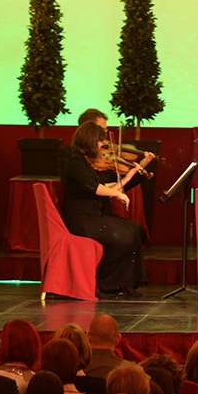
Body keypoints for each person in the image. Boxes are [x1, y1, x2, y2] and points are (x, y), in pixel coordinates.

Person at [58, 121, 147, 298]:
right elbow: (94, 187)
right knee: (122, 239)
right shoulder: (75, 162)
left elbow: (105, 186)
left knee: (135, 231)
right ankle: (104, 283)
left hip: (93, 215)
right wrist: (119, 195)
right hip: (81, 218)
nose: (101, 144)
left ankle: (125, 283)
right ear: (90, 140)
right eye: (99, 140)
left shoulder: (85, 161)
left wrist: (128, 176)